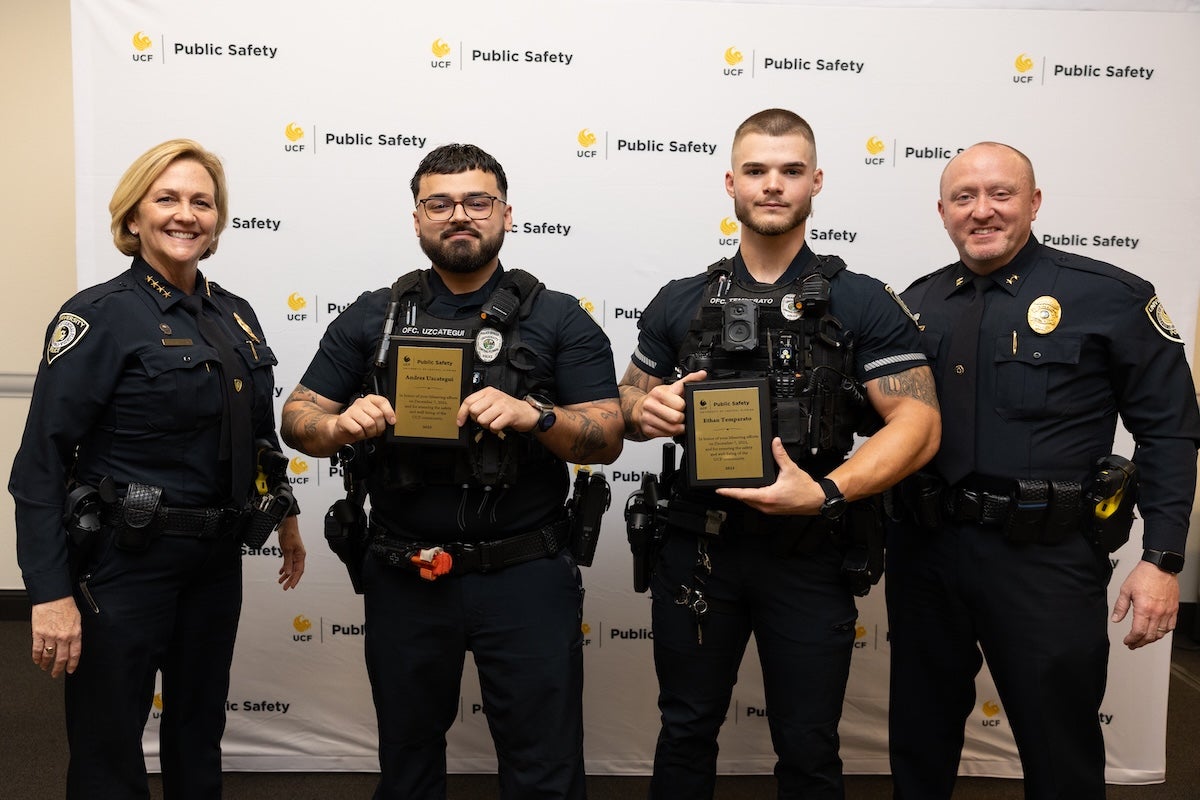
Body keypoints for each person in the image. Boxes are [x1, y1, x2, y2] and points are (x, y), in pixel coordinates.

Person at [280, 142, 623, 800]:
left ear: (506, 214)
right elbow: (297, 416)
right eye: (439, 203)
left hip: (525, 575)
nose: (459, 214)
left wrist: (535, 416)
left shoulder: (557, 317)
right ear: (417, 218)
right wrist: (337, 426)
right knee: (407, 763)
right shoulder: (374, 316)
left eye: (476, 202)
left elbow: (605, 436)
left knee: (544, 766)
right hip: (406, 574)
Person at [618, 108, 940, 798]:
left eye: (791, 170)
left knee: (808, 744)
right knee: (685, 730)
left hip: (810, 551)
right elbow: (623, 406)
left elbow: (918, 420)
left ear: (816, 181)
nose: (773, 185)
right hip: (698, 551)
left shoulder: (860, 301)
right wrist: (644, 410)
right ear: (730, 182)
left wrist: (826, 493)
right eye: (757, 170)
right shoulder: (682, 300)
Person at [887, 142, 1200, 799]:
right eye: (963, 197)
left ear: (1033, 203)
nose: (981, 210)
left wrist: (1162, 558)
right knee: (919, 739)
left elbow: (1170, 430)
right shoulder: (916, 305)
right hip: (927, 552)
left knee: (1060, 750)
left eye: (1000, 194)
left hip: (1044, 560)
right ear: (942, 212)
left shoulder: (1110, 296)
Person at [9, 138, 307, 799]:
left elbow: (257, 436)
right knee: (109, 745)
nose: (186, 214)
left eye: (202, 201)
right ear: (134, 214)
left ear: (217, 219)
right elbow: (39, 465)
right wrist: (50, 595)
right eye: (166, 198)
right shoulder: (99, 316)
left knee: (199, 734)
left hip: (214, 563)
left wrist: (284, 511)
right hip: (126, 564)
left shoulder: (236, 316)